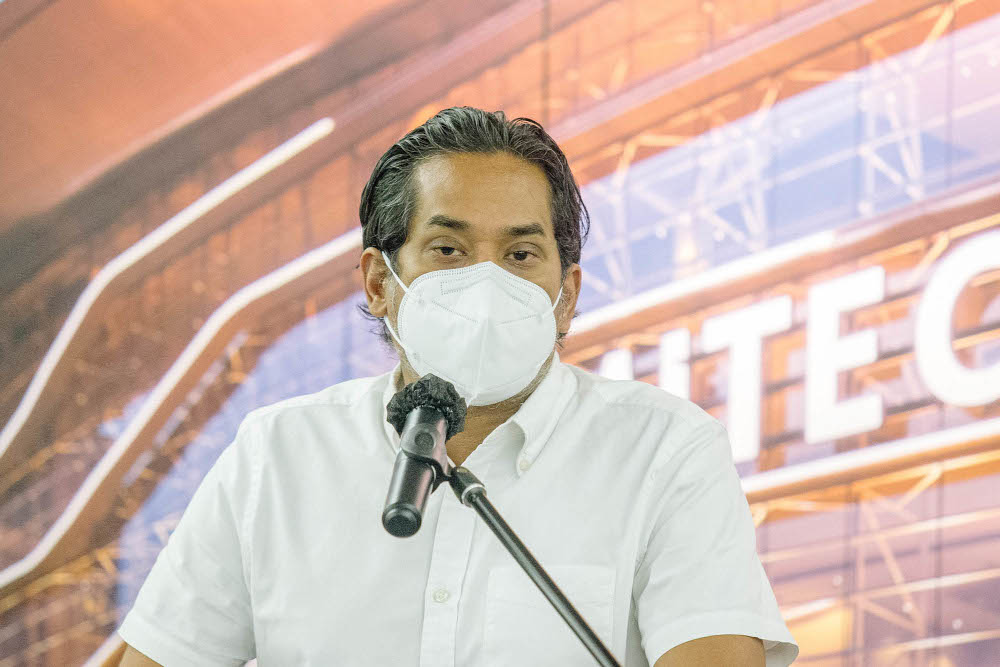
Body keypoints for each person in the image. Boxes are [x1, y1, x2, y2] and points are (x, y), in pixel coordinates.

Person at [118, 107, 799, 666]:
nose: (487, 281)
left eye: (521, 254)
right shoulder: (279, 454)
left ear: (566, 298)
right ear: (380, 281)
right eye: (449, 250)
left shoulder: (665, 450)